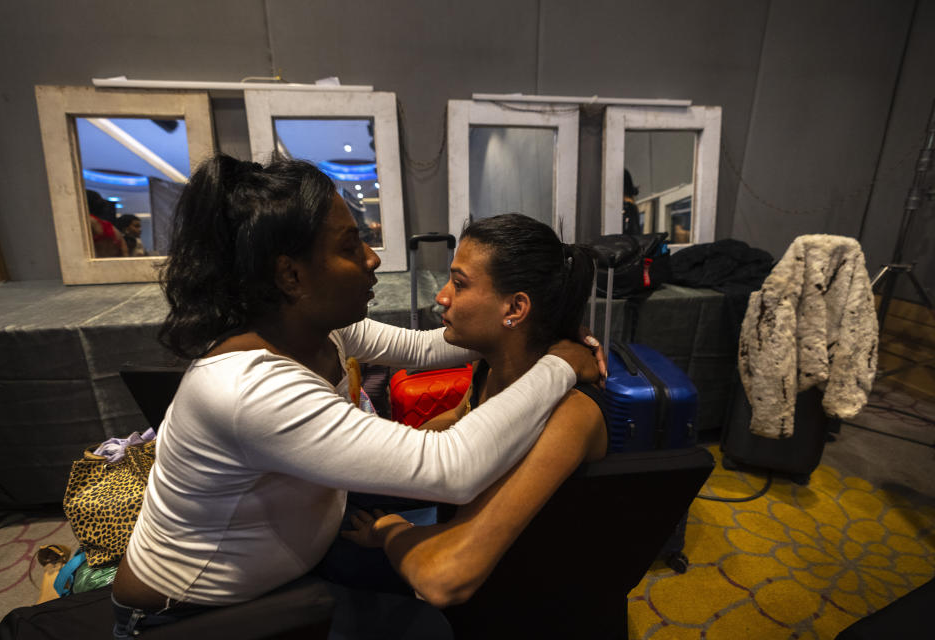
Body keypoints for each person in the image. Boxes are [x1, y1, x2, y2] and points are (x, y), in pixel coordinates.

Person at [109, 155, 601, 639]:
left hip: (302, 542)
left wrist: (534, 332)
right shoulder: (249, 388)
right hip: (189, 615)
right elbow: (452, 467)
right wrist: (560, 362)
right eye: (350, 245)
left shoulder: (319, 331)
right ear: (291, 276)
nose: (372, 257)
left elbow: (431, 344)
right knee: (427, 628)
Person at [342, 213, 609, 610]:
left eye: (459, 283)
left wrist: (391, 530)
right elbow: (459, 417)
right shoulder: (491, 363)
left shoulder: (571, 411)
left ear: (515, 309)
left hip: (527, 600)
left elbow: (446, 575)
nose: (442, 296)